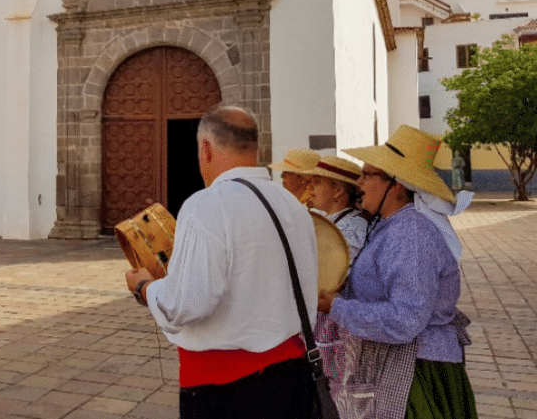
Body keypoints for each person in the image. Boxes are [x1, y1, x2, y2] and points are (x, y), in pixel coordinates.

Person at [125, 105, 318, 418]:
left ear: (205, 149)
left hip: (226, 387)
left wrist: (145, 287)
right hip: (292, 374)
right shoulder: (292, 206)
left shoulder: (207, 205)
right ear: (255, 147)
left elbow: (185, 304)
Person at [318, 125, 477, 419]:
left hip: (419, 371)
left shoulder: (410, 235)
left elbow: (405, 320)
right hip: (407, 363)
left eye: (367, 174)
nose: (359, 181)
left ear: (396, 185)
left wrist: (337, 307)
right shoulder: (391, 227)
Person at [303, 154, 367, 403]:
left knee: (335, 396)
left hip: (336, 327)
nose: (311, 187)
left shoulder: (352, 228)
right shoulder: (334, 222)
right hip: (324, 324)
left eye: (317, 182)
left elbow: (329, 277)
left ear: (338, 191)